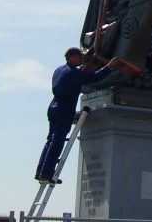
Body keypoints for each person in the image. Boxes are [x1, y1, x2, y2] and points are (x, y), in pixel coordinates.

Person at [35, 47, 116, 184]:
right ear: (71, 57)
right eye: (80, 57)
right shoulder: (73, 73)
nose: (82, 59)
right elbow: (94, 78)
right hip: (64, 109)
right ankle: (47, 173)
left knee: (50, 140)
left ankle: (41, 171)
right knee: (57, 141)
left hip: (53, 107)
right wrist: (109, 67)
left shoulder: (59, 70)